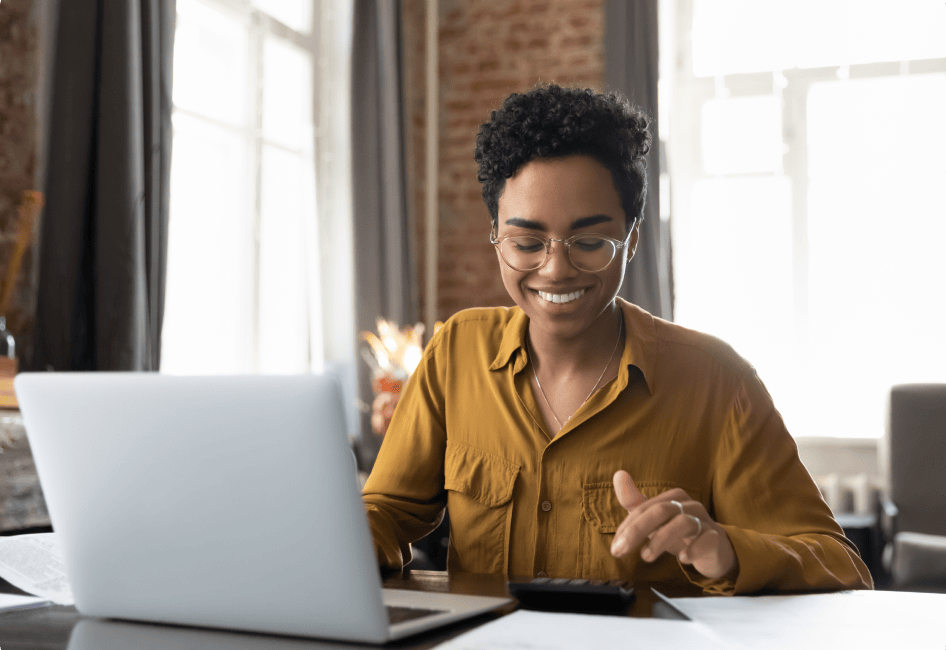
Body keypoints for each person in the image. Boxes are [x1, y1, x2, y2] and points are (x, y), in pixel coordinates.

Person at [362, 84, 872, 595]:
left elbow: (840, 566)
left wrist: (725, 549)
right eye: (527, 242)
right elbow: (387, 511)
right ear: (495, 235)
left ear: (631, 240)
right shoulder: (456, 352)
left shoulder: (718, 383)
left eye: (589, 242)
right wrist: (344, 535)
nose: (556, 269)